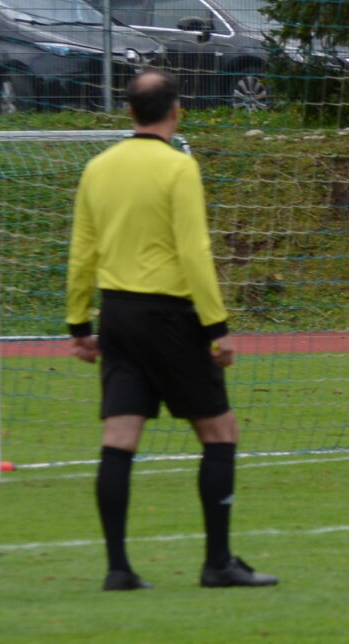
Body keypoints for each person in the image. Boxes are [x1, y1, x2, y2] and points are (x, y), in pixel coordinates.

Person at [65, 69, 276, 591]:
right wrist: (218, 327)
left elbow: (82, 250)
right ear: (177, 112)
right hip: (170, 317)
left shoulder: (98, 167)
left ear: (129, 112)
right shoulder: (179, 168)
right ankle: (218, 563)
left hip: (118, 315)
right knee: (220, 432)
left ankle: (118, 569)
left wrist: (79, 323)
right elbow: (194, 251)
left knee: (119, 436)